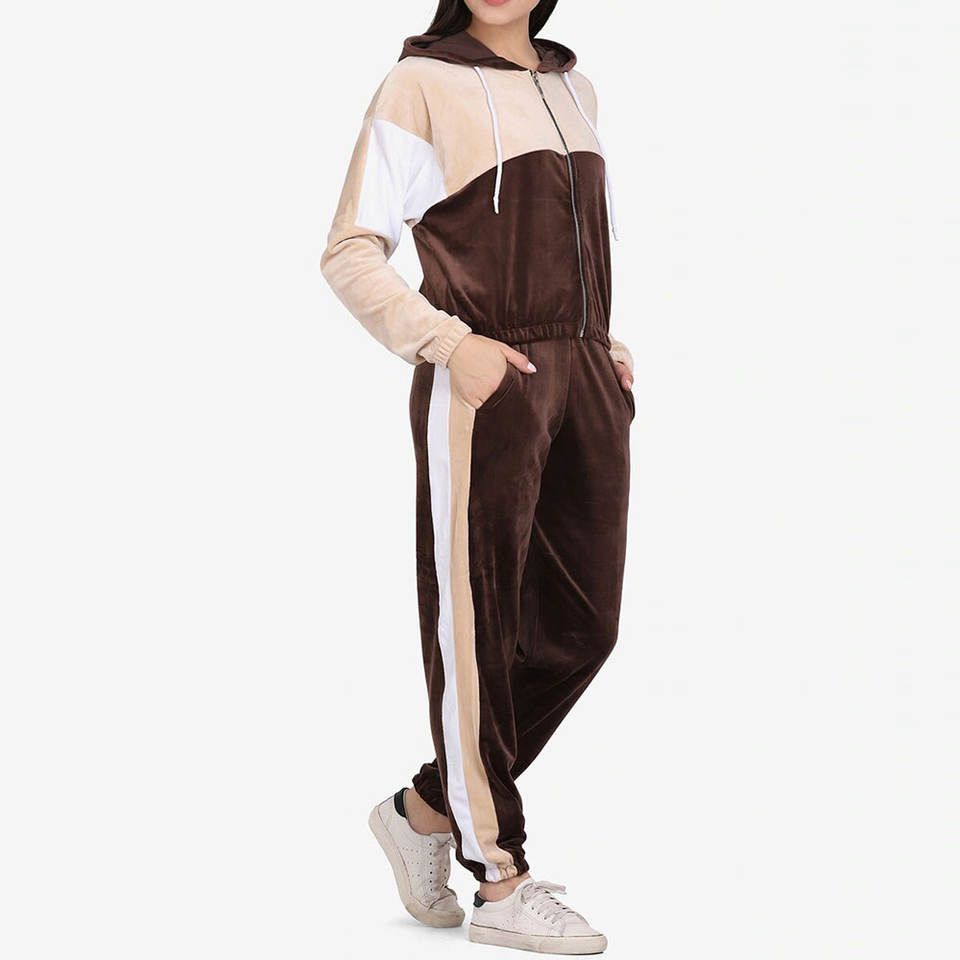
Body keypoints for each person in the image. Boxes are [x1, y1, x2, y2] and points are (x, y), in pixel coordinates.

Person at [321, 0, 633, 952]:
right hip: (485, 381)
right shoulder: (419, 84)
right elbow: (350, 251)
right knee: (478, 629)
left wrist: (603, 344)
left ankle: (424, 808)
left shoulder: (575, 89)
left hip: (585, 378)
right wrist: (451, 345)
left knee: (583, 631)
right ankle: (500, 879)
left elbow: (573, 244)